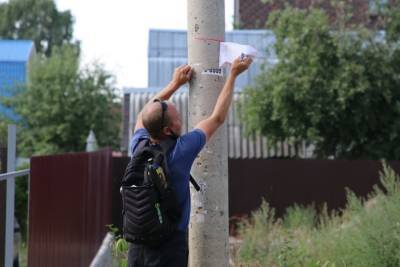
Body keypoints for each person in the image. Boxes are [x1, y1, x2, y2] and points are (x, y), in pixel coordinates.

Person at [128, 56, 253, 267]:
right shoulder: (180, 151)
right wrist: (232, 75)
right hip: (168, 246)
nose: (181, 119)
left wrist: (174, 84)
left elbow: (144, 116)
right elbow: (217, 118)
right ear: (168, 130)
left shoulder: (138, 144)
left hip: (138, 245)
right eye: (177, 118)